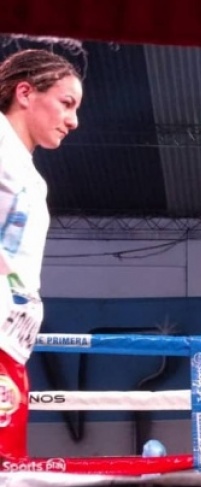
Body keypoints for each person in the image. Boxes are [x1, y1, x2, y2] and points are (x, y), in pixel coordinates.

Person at [0, 49, 82, 459]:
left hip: (10, 345)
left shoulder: (23, 168)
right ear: (25, 93)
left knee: (8, 473)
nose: (73, 120)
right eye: (66, 103)